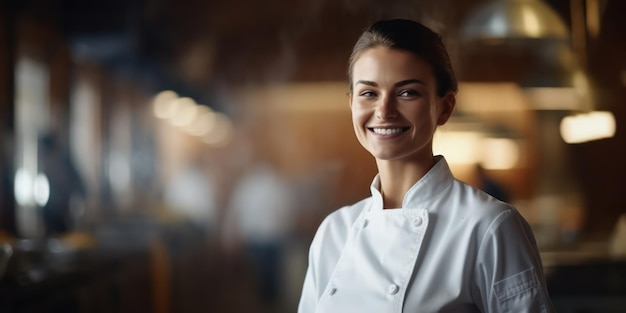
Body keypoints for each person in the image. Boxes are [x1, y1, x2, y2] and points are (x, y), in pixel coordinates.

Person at [298, 19, 555, 313]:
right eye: (369, 93)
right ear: (351, 104)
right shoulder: (334, 231)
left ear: (444, 107)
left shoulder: (489, 226)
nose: (384, 111)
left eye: (407, 92)